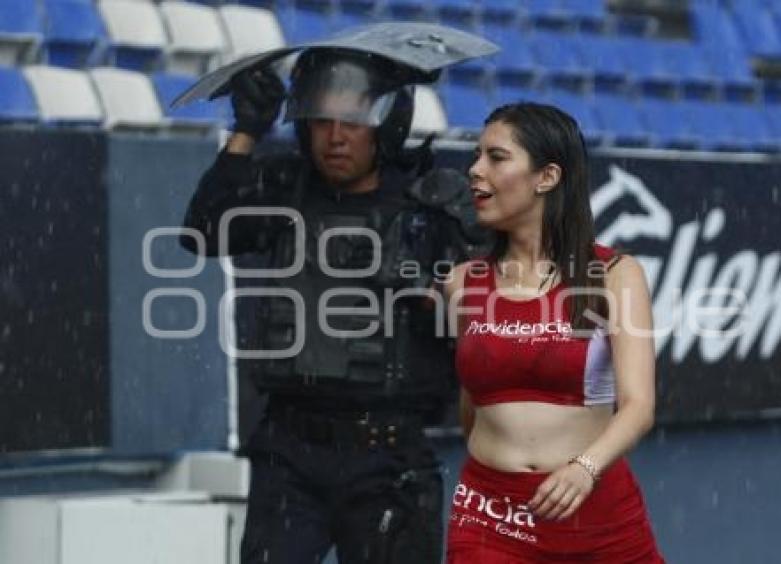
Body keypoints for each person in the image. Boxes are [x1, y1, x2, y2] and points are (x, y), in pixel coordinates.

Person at [180, 40, 490, 564]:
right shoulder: (284, 192)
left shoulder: (432, 206)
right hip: (289, 451)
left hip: (388, 456)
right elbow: (202, 231)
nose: (336, 137)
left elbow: (500, 311)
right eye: (322, 120)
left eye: (353, 120)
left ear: (387, 123)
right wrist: (246, 132)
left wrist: (438, 298)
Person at [443, 102, 665, 562]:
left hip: (597, 513)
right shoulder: (463, 281)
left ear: (547, 177)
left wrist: (584, 468)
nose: (475, 170)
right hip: (491, 516)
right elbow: (472, 405)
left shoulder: (615, 274)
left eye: (496, 157)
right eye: (476, 155)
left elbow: (639, 406)